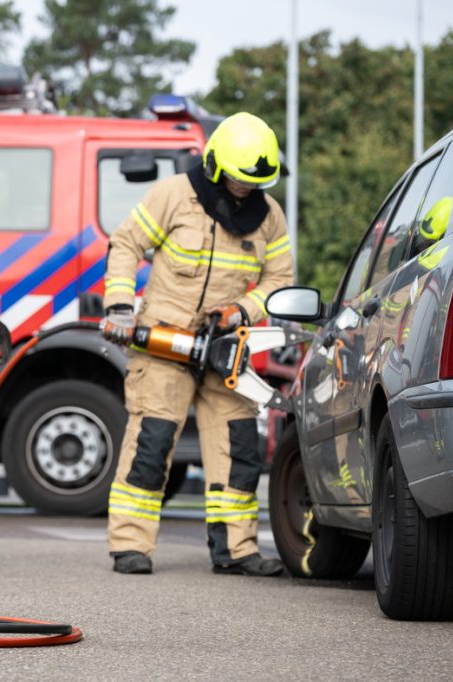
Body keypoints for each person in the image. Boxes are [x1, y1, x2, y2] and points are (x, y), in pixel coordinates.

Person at [101, 112, 294, 576]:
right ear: (215, 165)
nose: (246, 189)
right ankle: (130, 545)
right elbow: (126, 245)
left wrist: (241, 310)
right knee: (151, 442)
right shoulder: (174, 195)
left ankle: (236, 549)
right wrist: (120, 306)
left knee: (238, 446)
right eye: (239, 179)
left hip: (226, 348)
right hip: (164, 343)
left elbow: (280, 280)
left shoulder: (269, 216)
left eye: (255, 182)